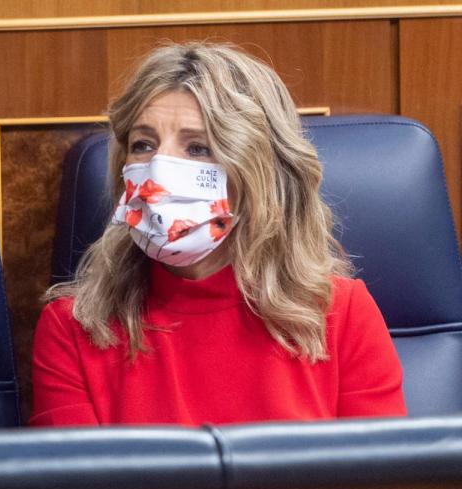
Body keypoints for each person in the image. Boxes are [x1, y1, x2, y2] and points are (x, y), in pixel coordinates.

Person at [30, 42, 407, 427]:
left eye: (198, 148)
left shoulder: (342, 315)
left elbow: (385, 484)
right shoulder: (73, 329)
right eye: (143, 144)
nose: (160, 170)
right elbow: (84, 487)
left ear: (259, 173)